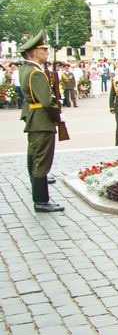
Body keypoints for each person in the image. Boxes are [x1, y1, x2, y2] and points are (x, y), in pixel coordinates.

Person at [18, 31, 64, 213]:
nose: (46, 53)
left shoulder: (27, 69)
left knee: (35, 155)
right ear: (34, 52)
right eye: (43, 49)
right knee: (43, 160)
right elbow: (46, 101)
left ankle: (37, 186)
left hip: (34, 118)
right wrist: (57, 114)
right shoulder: (36, 73)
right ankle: (41, 200)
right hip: (41, 120)